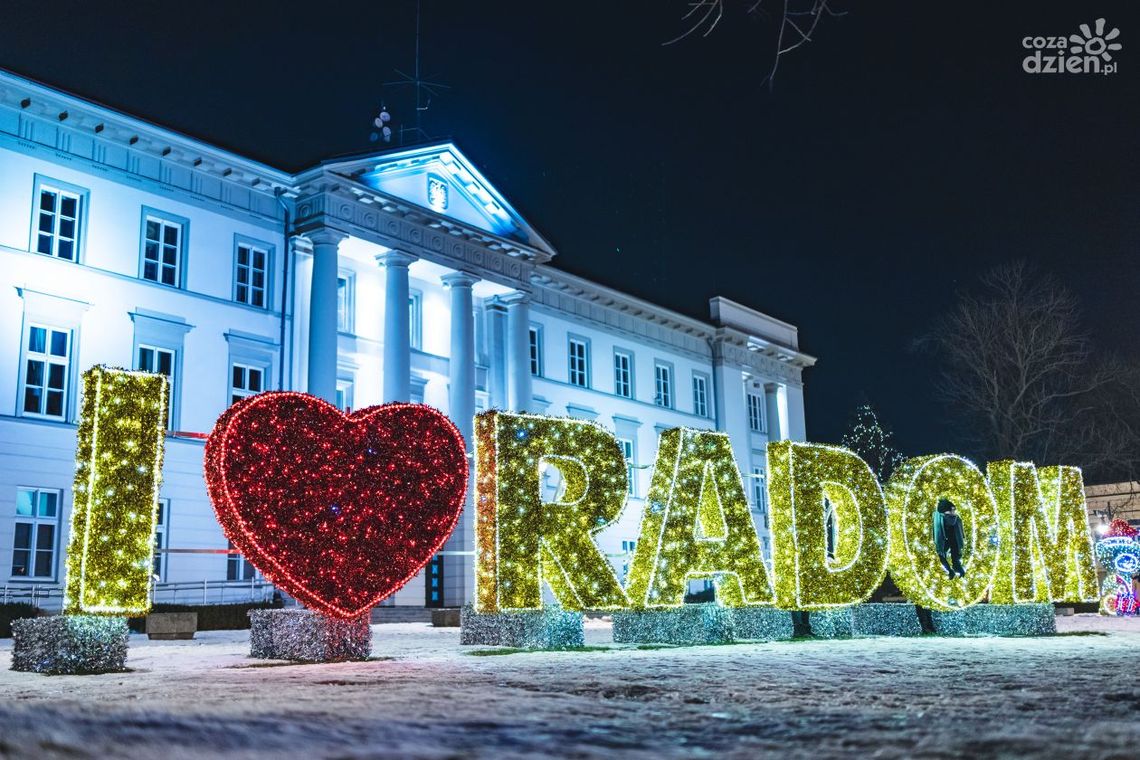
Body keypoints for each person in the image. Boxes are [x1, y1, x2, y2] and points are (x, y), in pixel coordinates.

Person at [933, 500, 966, 580]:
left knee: (946, 556)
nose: (954, 511)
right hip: (949, 540)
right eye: (953, 509)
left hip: (951, 540)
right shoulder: (944, 518)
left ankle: (954, 570)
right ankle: (953, 570)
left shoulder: (940, 518)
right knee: (947, 556)